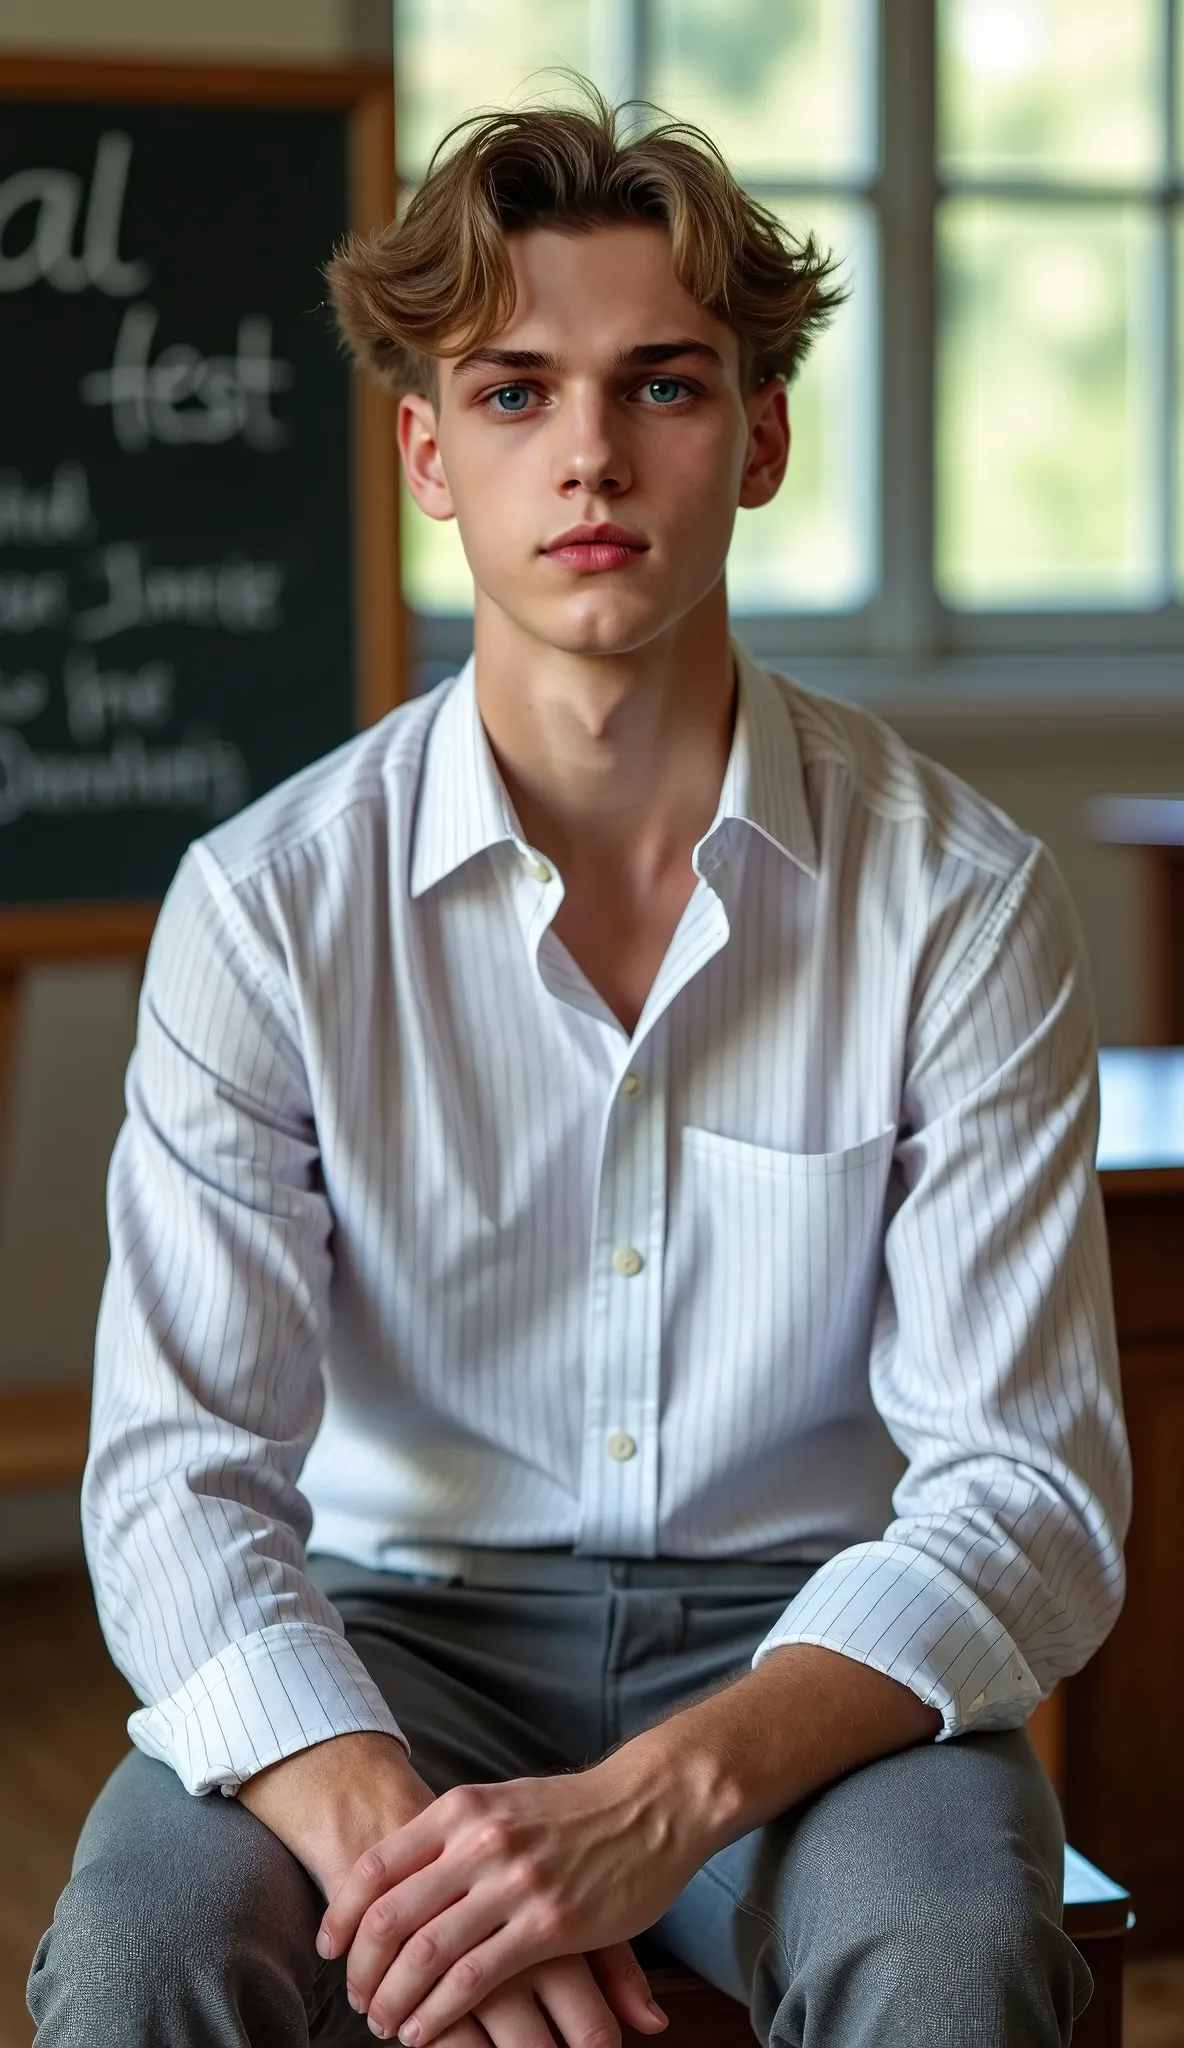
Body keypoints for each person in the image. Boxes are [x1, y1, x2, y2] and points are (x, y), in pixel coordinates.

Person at [29, 74, 1129, 2048]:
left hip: (810, 1654)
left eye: (667, 385)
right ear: (427, 451)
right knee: (137, 1958)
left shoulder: (961, 902)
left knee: (953, 1965)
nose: (592, 453)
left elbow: (1022, 1489)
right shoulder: (266, 906)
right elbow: (181, 1475)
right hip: (392, 1637)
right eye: (517, 390)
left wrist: (656, 1802)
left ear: (764, 435)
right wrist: (408, 1847)